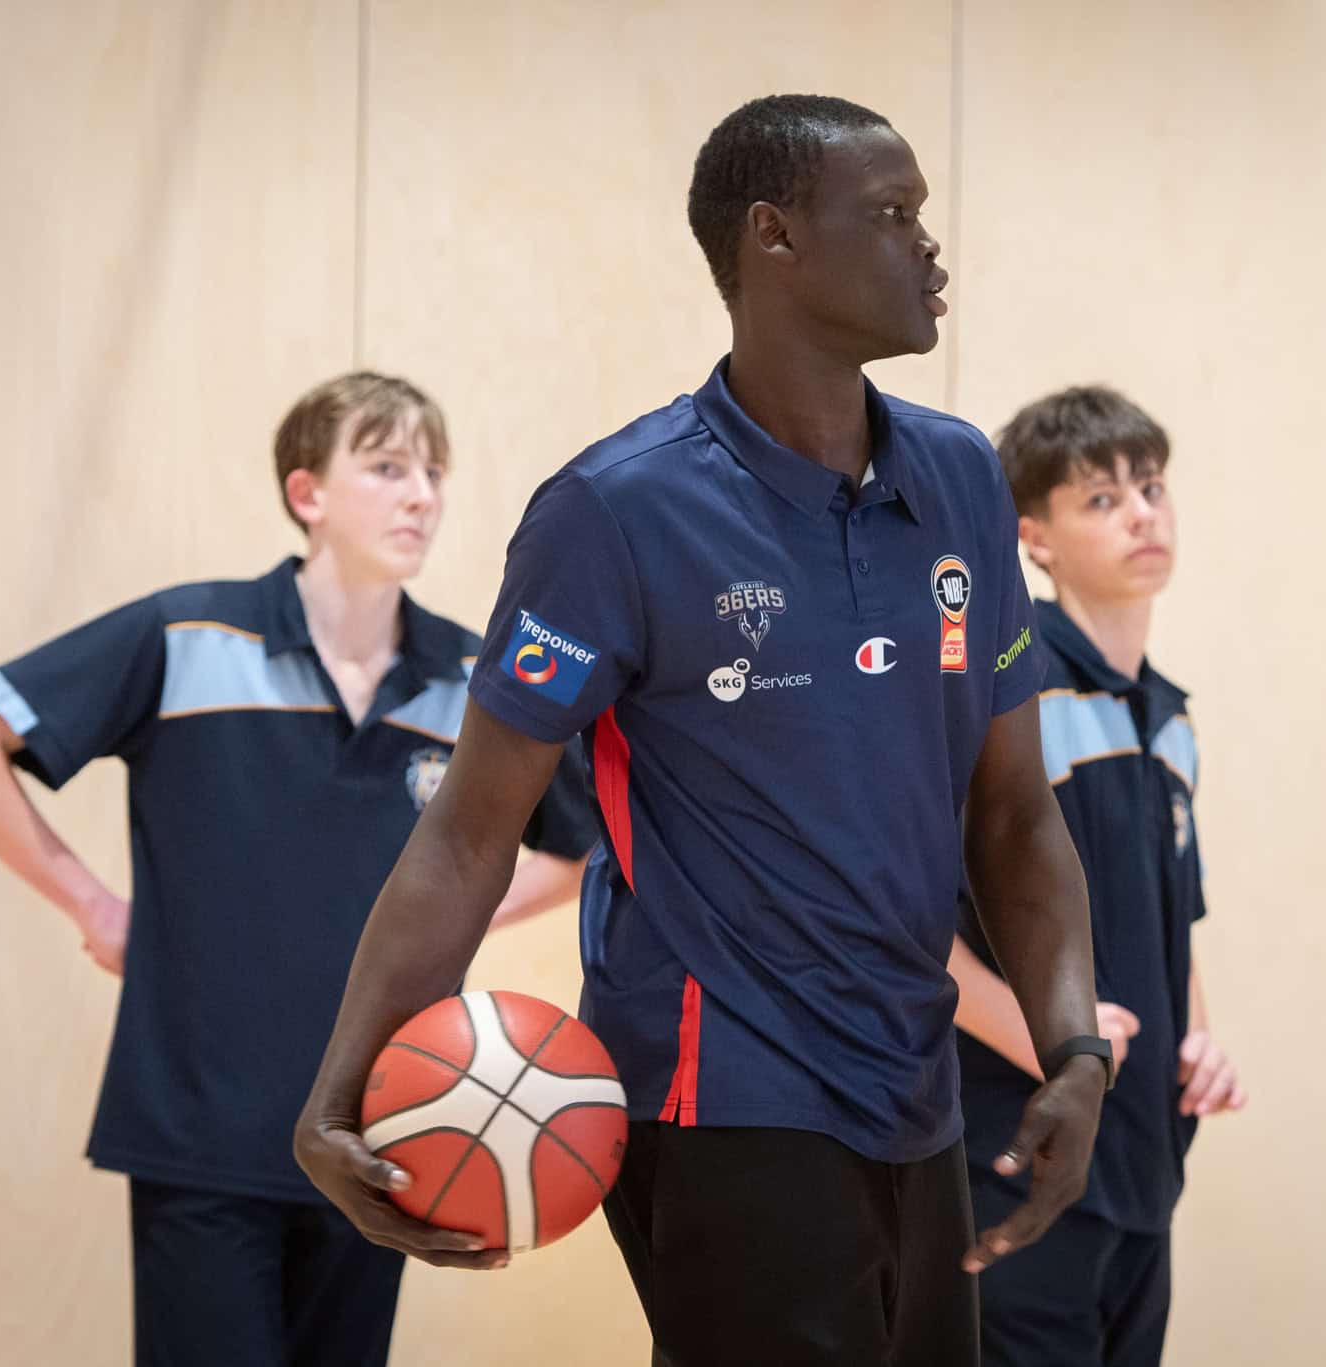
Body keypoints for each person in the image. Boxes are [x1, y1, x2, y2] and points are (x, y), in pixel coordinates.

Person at [293, 95, 1110, 1366]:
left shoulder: (957, 479)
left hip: (917, 1089)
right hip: (719, 1094)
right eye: (891, 214)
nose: (927, 244)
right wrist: (340, 1089)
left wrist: (1073, 1046)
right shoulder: (614, 510)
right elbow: (468, 832)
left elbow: (1011, 810)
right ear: (772, 237)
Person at [0, 372, 597, 1367]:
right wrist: (92, 905)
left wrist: (454, 921)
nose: (420, 496)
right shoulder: (186, 637)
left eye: (434, 472)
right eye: (387, 466)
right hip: (201, 1129)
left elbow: (582, 846)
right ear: (307, 491)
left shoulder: (469, 677)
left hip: (383, 1130)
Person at [952, 386, 1247, 1366]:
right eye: (1102, 498)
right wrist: (1044, 1038)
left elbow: (1174, 920)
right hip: (1019, 1157)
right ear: (1032, 536)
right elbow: (906, 922)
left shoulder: (1169, 716)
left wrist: (1197, 1035)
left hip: (1144, 1168)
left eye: (1151, 488)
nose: (1141, 515)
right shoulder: (1008, 692)